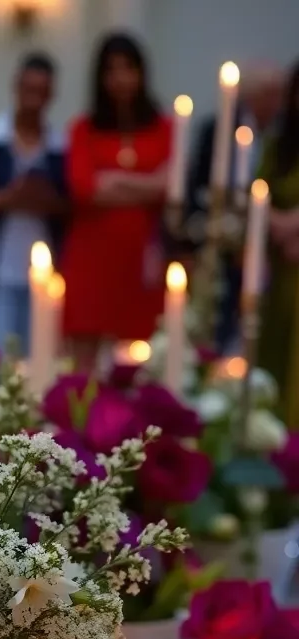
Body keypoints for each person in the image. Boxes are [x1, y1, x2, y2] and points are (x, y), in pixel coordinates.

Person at [62, 33, 170, 364]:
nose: (120, 78)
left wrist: (114, 178)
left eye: (128, 68)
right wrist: (144, 184)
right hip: (91, 257)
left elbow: (167, 187)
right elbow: (85, 189)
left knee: (138, 360)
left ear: (141, 73)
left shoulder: (163, 127)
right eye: (111, 70)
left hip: (141, 258)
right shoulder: (84, 128)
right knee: (84, 363)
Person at [0, 53, 66, 355]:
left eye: (41, 92)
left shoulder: (60, 147)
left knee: (41, 360)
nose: (33, 99)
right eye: (28, 89)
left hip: (47, 274)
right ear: (16, 88)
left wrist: (45, 201)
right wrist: (9, 198)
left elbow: (73, 205)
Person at [189, 62, 285, 350]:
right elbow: (199, 182)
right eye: (270, 95)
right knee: (214, 320)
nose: (276, 103)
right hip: (219, 240)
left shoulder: (281, 137)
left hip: (265, 245)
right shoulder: (218, 129)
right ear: (253, 96)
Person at [256, 61, 299, 429]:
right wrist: (279, 224)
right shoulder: (278, 147)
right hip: (278, 270)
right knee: (273, 358)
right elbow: (259, 193)